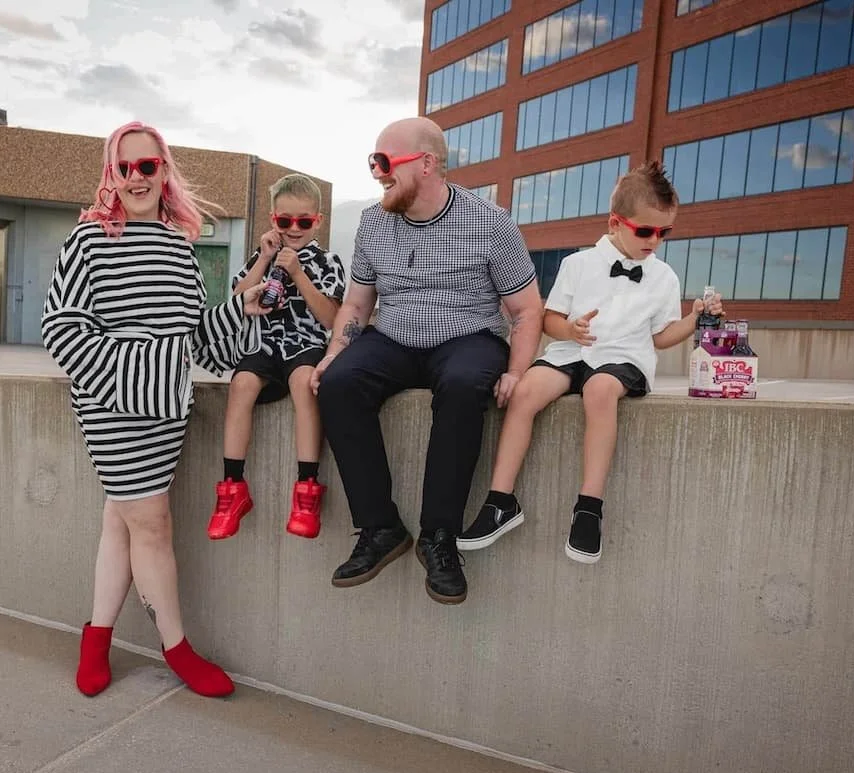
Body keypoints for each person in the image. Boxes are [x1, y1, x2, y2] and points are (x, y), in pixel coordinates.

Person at [41, 120, 271, 699]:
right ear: (111, 175)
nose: (136, 177)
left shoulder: (177, 244)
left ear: (163, 170)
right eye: (125, 167)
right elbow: (62, 328)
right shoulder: (88, 241)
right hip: (113, 408)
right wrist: (134, 377)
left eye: (147, 166)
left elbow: (197, 339)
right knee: (152, 522)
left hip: (167, 411)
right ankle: (176, 648)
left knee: (121, 521)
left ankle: (96, 640)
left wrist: (241, 309)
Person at [310, 117, 543, 605]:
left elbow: (525, 310)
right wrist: (334, 352)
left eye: (385, 162)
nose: (376, 172)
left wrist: (518, 372)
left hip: (467, 336)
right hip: (393, 337)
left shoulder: (490, 222)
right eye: (373, 162)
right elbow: (356, 304)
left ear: (428, 163)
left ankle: (441, 537)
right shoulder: (374, 222)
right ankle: (381, 529)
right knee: (338, 384)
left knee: (462, 385)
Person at [456, 160, 724, 564]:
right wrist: (571, 330)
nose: (656, 240)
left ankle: (589, 508)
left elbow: (660, 337)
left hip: (623, 358)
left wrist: (692, 319)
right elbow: (549, 319)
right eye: (646, 231)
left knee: (600, 391)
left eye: (664, 232)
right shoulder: (577, 264)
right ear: (615, 222)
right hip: (571, 352)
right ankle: (500, 502)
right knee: (526, 390)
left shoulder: (664, 277)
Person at [207, 174, 346, 540]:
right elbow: (236, 300)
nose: (294, 228)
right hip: (264, 346)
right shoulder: (262, 255)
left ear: (317, 220)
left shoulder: (327, 261)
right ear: (273, 219)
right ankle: (232, 488)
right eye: (285, 221)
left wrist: (298, 273)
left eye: (303, 221)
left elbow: (331, 318)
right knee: (241, 384)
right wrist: (264, 259)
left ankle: (307, 490)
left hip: (305, 345)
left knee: (305, 382)